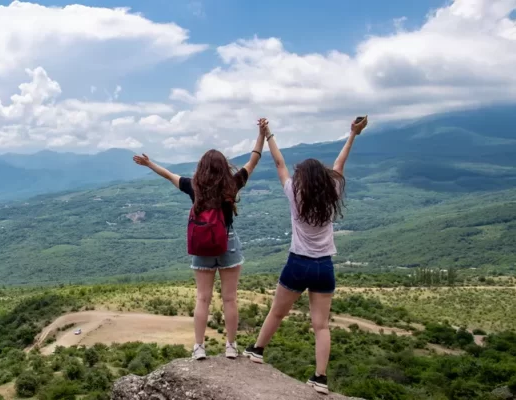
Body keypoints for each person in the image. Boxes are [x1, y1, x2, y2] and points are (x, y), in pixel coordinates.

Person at [243, 116, 368, 395]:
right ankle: (320, 378)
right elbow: (339, 165)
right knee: (321, 326)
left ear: (302, 179)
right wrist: (352, 134)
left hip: (298, 263)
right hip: (324, 266)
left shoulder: (294, 193)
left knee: (277, 312)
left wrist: (268, 133)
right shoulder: (332, 192)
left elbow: (279, 164)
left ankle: (257, 350)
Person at [133, 126, 266, 360]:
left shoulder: (194, 186)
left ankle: (199, 347)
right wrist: (262, 135)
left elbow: (169, 175)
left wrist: (149, 164)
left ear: (202, 168)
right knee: (230, 298)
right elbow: (253, 161)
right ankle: (231, 346)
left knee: (203, 298)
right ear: (224, 167)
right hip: (228, 243)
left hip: (202, 245)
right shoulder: (231, 184)